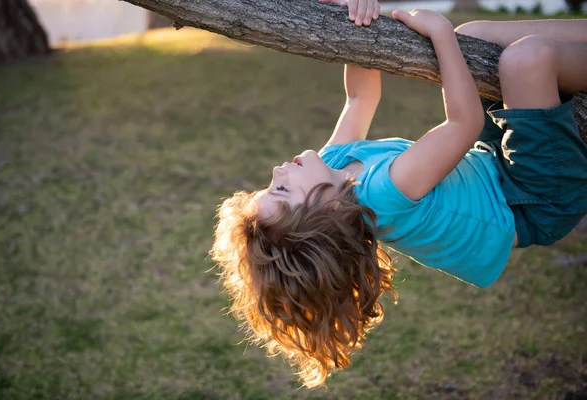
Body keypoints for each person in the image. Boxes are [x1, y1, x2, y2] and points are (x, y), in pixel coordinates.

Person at [210, 0, 587, 388]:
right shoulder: (384, 193)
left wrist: (356, 20)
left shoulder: (335, 163)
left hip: (494, 163)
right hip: (533, 200)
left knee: (475, 40)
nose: (276, 171)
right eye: (282, 188)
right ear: (327, 209)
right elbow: (464, 121)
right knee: (526, 59)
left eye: (268, 184)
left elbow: (360, 99)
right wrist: (439, 32)